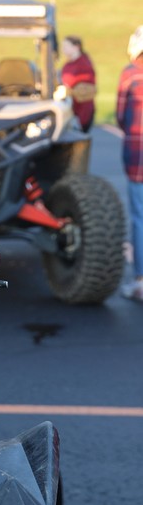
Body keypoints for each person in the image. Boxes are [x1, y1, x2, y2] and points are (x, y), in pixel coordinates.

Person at [116, 25, 143, 303]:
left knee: (140, 217)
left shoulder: (131, 73)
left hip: (139, 155)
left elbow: (122, 116)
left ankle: (141, 280)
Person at [60, 35, 96, 132]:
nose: (63, 50)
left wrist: (68, 91)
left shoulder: (84, 65)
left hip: (82, 110)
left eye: (66, 47)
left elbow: (87, 90)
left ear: (76, 47)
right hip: (70, 108)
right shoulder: (68, 64)